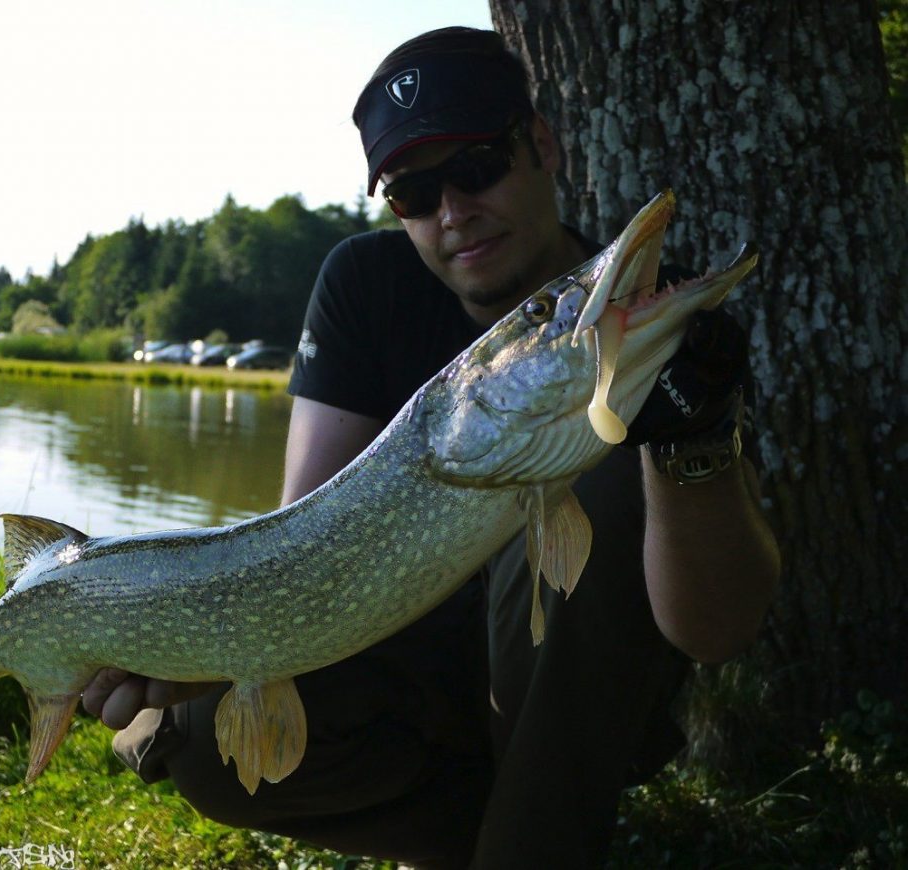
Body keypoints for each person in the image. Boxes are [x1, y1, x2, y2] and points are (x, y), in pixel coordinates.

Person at [83, 26, 780, 868]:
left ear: (543, 146)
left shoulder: (640, 327)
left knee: (598, 476)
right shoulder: (363, 285)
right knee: (198, 742)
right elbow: (297, 552)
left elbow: (716, 632)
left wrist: (695, 438)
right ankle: (512, 839)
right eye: (413, 192)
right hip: (416, 677)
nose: (453, 211)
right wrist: (217, 647)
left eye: (478, 165)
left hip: (582, 693)